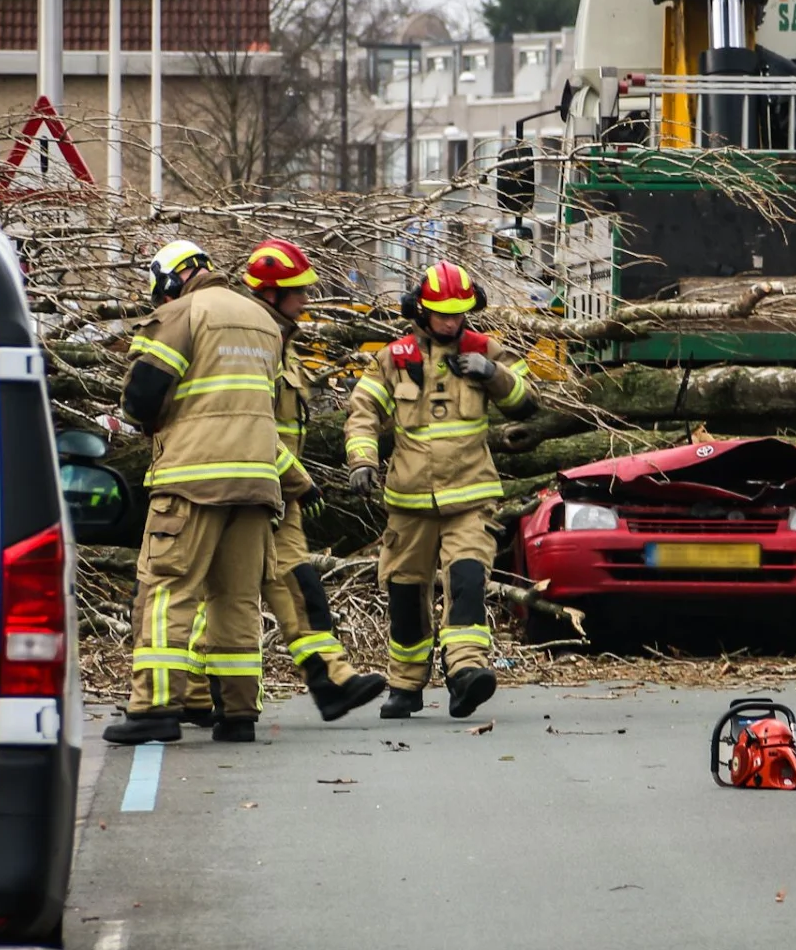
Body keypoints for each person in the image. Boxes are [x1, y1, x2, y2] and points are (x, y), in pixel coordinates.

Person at [103, 240, 310, 745]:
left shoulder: (180, 314)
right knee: (236, 599)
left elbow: (140, 398)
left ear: (171, 280)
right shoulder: (261, 320)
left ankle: (153, 708)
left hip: (192, 480)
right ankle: (238, 714)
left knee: (168, 588)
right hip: (257, 482)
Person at [343, 261, 540, 719]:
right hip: (409, 503)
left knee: (467, 581)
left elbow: (527, 404)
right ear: (422, 309)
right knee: (405, 593)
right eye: (442, 313)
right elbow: (363, 411)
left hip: (471, 496)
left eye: (459, 312)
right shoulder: (396, 357)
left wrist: (492, 372)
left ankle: (466, 674)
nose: (451, 321)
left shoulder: (486, 349)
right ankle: (405, 685)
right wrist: (362, 461)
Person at [239, 237, 388, 720]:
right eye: (297, 291)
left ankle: (332, 679)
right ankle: (202, 695)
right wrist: (299, 479)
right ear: (269, 294)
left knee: (301, 588)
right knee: (221, 596)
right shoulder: (251, 346)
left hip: (279, 495)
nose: (306, 299)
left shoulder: (284, 347)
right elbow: (248, 425)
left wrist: (295, 484)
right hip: (248, 491)